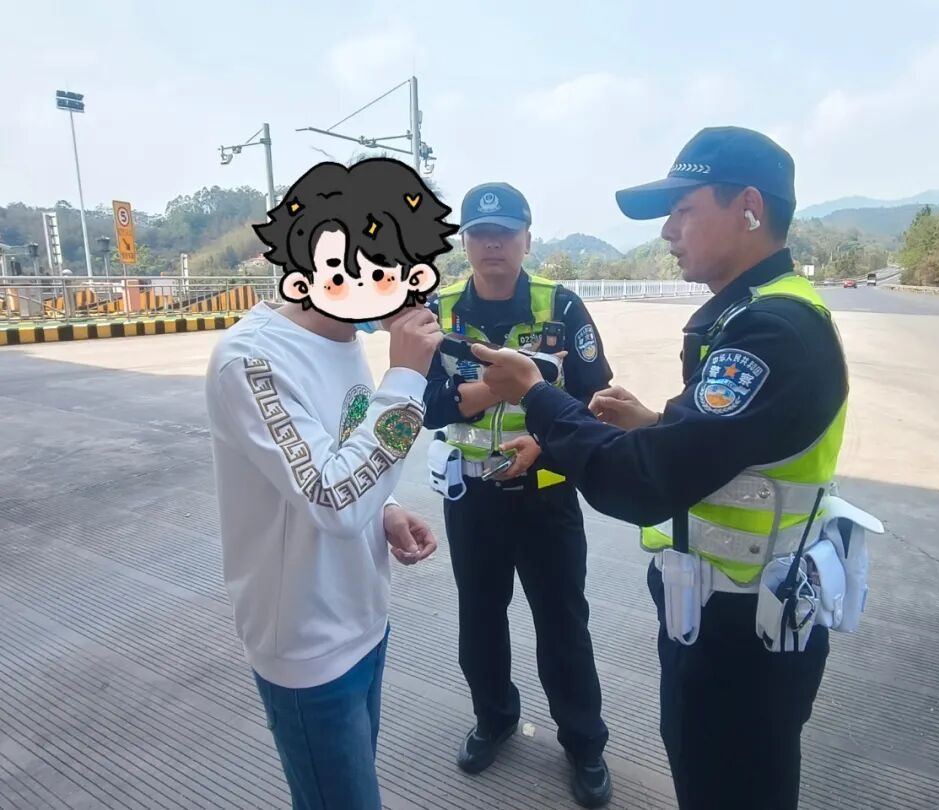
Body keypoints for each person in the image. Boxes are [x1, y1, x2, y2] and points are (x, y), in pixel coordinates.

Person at [471, 127, 853, 810]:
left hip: (744, 630)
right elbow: (721, 447)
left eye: (683, 210)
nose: (668, 231)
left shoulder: (772, 330)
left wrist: (535, 395)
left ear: (749, 207)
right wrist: (651, 424)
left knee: (730, 787)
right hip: (730, 617)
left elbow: (644, 483)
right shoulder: (753, 315)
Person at [205, 158, 454, 809]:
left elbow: (342, 450)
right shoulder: (251, 359)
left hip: (364, 613)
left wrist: (387, 508)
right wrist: (407, 378)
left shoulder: (345, 335)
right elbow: (333, 498)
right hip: (308, 640)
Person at [421, 181, 614, 808]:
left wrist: (543, 444)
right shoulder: (440, 310)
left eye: (505, 232)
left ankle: (583, 743)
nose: (493, 244)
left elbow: (596, 399)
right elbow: (423, 405)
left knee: (563, 623)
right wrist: (494, 392)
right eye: (480, 233)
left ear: (527, 239)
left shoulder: (562, 307)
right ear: (465, 242)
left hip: (546, 493)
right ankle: (495, 718)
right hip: (471, 497)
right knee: (480, 617)